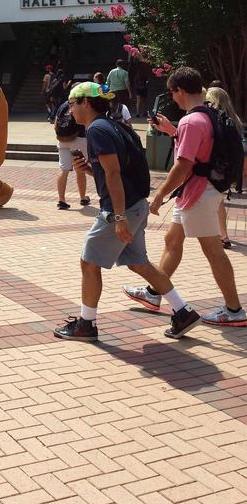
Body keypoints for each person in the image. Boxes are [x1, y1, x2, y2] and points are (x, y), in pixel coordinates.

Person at [54, 82, 200, 342]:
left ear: (86, 103)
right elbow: (112, 169)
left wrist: (118, 216)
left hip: (121, 210)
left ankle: (86, 325)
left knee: (88, 263)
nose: (70, 110)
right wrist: (89, 169)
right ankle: (183, 312)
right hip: (136, 204)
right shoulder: (111, 124)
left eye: (72, 103)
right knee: (138, 263)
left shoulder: (97, 129)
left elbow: (113, 173)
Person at [123, 67, 246, 326]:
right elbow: (201, 147)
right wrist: (172, 131)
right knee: (172, 240)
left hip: (198, 192)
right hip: (202, 190)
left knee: (213, 251)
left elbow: (183, 165)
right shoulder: (207, 114)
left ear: (179, 90)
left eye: (172, 93)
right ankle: (154, 292)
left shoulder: (191, 121)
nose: (173, 98)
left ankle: (234, 310)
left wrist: (158, 195)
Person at [205, 86, 243, 250]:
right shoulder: (235, 119)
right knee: (218, 201)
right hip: (228, 169)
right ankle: (222, 235)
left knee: (216, 202)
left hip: (215, 168)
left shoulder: (214, 119)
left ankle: (221, 235)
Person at [53, 90, 90, 210]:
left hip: (62, 140)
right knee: (81, 168)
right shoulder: (80, 104)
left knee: (64, 170)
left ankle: (61, 200)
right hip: (78, 139)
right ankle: (83, 198)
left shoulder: (63, 105)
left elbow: (55, 123)